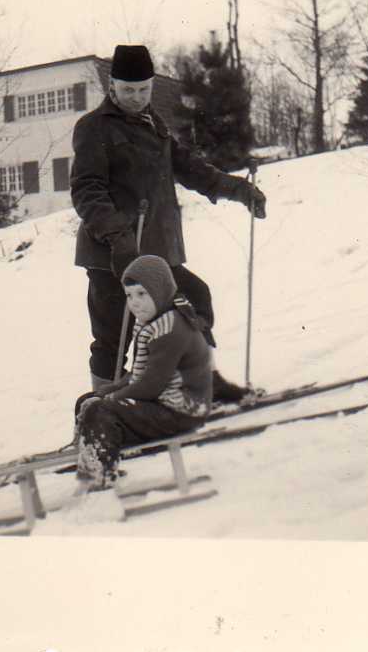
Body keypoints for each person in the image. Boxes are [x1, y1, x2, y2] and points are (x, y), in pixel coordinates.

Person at [70, 44, 266, 401]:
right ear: (112, 86)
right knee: (114, 336)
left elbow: (191, 169)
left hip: (155, 252)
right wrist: (118, 236)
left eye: (143, 89)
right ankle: (105, 410)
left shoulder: (154, 125)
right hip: (113, 255)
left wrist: (239, 190)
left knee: (193, 300)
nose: (136, 97)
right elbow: (87, 190)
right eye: (128, 90)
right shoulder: (94, 127)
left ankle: (195, 383)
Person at [66, 255, 213, 520]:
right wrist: (106, 391)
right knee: (87, 401)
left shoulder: (171, 327)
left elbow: (150, 385)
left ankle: (99, 490)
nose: (134, 302)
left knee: (100, 411)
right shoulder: (151, 323)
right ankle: (95, 460)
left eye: (142, 294)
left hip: (179, 410)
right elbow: (138, 373)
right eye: (129, 295)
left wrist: (111, 399)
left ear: (160, 291)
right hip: (162, 404)